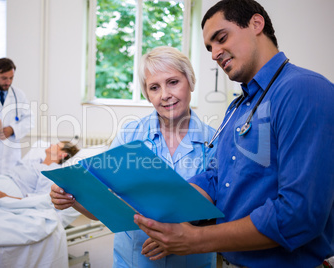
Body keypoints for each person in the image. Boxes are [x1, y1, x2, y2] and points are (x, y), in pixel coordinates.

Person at [133, 1, 334, 267]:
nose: (215, 54)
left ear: (256, 24)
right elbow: (216, 179)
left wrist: (195, 239)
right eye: (209, 47)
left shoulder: (302, 90)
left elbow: (298, 214)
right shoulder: (238, 108)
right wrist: (171, 212)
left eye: (221, 38)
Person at [50, 46, 218, 267]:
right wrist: (71, 199)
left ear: (191, 81)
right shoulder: (129, 136)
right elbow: (105, 209)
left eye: (173, 82)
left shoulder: (214, 141)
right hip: (135, 260)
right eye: (154, 87)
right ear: (147, 94)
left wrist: (180, 235)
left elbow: (223, 212)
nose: (165, 94)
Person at [0, 141, 79, 200]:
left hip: (9, 190)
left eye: (57, 145)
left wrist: (7, 197)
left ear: (62, 154)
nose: (51, 144)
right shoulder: (35, 161)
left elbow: (39, 198)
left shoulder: (52, 171)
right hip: (0, 181)